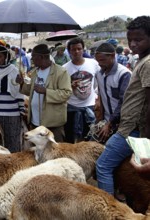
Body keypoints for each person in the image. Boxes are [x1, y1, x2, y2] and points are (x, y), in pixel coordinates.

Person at [96, 16, 150, 195]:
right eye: (130, 40)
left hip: (132, 130)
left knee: (102, 166)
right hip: (128, 127)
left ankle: (108, 210)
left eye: (138, 39)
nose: (133, 44)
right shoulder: (142, 61)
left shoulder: (147, 63)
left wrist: (146, 139)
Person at [16, 44, 72, 142]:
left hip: (52, 124)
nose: (32, 59)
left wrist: (46, 91)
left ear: (41, 57)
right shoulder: (35, 72)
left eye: (33, 56)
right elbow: (31, 91)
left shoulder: (61, 72)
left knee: (54, 152)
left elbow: (66, 93)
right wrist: (21, 83)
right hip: (35, 122)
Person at [0, 46, 25, 152]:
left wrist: (20, 83)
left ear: (6, 57)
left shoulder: (14, 70)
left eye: (0, 57)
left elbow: (20, 92)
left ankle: (14, 164)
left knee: (13, 140)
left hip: (12, 112)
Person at [92, 42, 131, 143]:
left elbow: (123, 103)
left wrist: (109, 124)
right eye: (97, 61)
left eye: (102, 60)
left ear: (113, 56)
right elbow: (101, 95)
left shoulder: (124, 74)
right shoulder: (99, 74)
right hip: (105, 122)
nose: (100, 63)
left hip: (122, 124)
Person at [63, 38, 100, 143]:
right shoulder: (64, 68)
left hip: (90, 107)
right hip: (71, 108)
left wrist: (98, 99)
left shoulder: (93, 63)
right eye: (73, 49)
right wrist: (70, 85)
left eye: (79, 49)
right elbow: (63, 88)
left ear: (83, 49)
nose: (76, 52)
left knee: (89, 138)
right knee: (70, 138)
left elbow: (100, 82)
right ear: (69, 51)